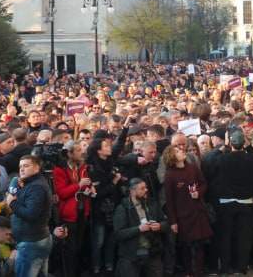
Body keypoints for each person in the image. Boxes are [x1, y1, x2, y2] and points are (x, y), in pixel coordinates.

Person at [86, 115, 132, 275]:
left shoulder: (110, 159)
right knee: (98, 241)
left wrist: (125, 128)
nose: (110, 146)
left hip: (115, 206)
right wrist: (114, 182)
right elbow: (97, 193)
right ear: (99, 149)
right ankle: (96, 267)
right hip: (99, 210)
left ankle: (109, 264)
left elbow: (119, 145)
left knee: (112, 239)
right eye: (106, 145)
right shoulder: (92, 167)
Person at [162, 145, 212, 277]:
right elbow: (170, 201)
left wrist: (199, 193)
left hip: (198, 212)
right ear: (172, 157)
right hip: (182, 216)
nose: (182, 151)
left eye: (181, 150)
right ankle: (188, 272)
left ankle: (199, 272)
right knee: (186, 247)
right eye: (177, 151)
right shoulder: (170, 175)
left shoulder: (193, 168)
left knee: (200, 245)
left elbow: (203, 184)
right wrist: (173, 221)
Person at [213, 129, 253, 275]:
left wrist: (225, 145)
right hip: (245, 203)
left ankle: (225, 267)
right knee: (243, 237)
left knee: (225, 237)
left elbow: (215, 161)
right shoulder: (251, 159)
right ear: (244, 143)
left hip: (226, 203)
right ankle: (242, 267)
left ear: (230, 142)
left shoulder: (223, 159)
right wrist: (248, 145)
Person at [5, 155, 53, 277]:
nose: (22, 169)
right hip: (33, 241)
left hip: (32, 243)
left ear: (37, 168)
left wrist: (12, 203)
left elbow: (31, 214)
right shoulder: (30, 184)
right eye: (20, 166)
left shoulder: (36, 187)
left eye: (26, 166)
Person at [113, 178, 168, 277]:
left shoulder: (152, 204)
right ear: (132, 191)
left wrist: (160, 226)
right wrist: (138, 229)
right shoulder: (122, 208)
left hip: (152, 251)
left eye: (146, 187)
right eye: (142, 188)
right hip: (131, 255)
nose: (146, 190)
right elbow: (118, 234)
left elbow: (166, 223)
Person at [53, 141, 92, 277]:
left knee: (78, 248)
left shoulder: (81, 167)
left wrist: (89, 188)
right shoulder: (60, 170)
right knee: (69, 251)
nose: (82, 152)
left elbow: (84, 185)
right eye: (78, 150)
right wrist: (79, 185)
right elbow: (62, 193)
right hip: (69, 215)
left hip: (82, 212)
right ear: (69, 153)